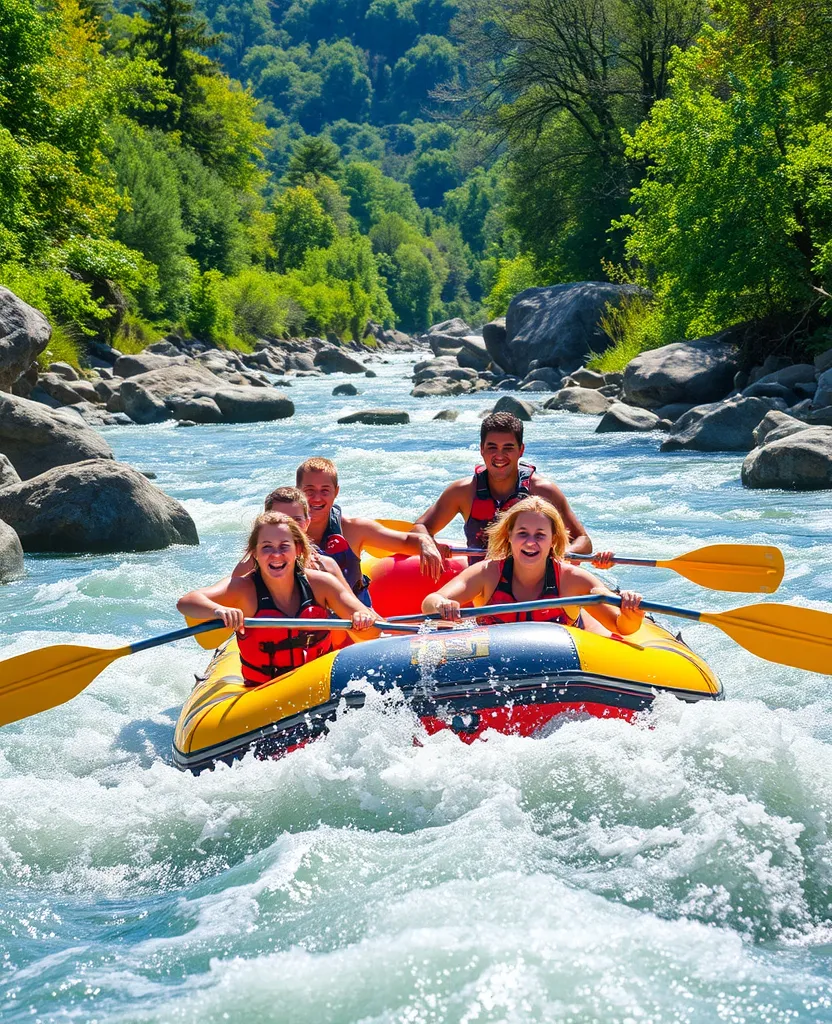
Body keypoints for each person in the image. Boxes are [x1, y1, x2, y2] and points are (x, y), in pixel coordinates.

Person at [177, 512, 380, 686]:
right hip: (265, 695)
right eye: (267, 547)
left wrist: (363, 618)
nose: (276, 555)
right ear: (254, 553)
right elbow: (187, 602)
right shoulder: (243, 589)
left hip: (318, 685)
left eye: (284, 546)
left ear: (298, 549)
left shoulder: (322, 584)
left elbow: (369, 622)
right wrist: (217, 610)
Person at [421, 496, 644, 637]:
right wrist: (443, 604)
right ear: (509, 536)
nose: (530, 542)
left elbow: (620, 626)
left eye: (540, 535)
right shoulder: (487, 573)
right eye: (522, 534)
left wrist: (631, 614)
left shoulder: (573, 579)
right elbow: (430, 602)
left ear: (553, 540)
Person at [412, 411, 591, 558]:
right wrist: (427, 543)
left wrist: (563, 553)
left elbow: (583, 541)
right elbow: (420, 527)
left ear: (521, 450)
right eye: (492, 447)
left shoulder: (543, 491)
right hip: (481, 585)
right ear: (481, 449)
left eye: (508, 448)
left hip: (534, 589)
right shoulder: (462, 491)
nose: (499, 456)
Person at [296, 457, 448, 600]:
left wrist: (424, 541)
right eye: (309, 490)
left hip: (356, 621)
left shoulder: (354, 529)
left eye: (325, 490)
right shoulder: (281, 532)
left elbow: (405, 541)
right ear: (297, 491)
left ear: (336, 492)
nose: (317, 498)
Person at [231, 486, 349, 586]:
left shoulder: (326, 567)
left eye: (296, 519)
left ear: (307, 523)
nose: (288, 526)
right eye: (280, 518)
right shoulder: (247, 567)